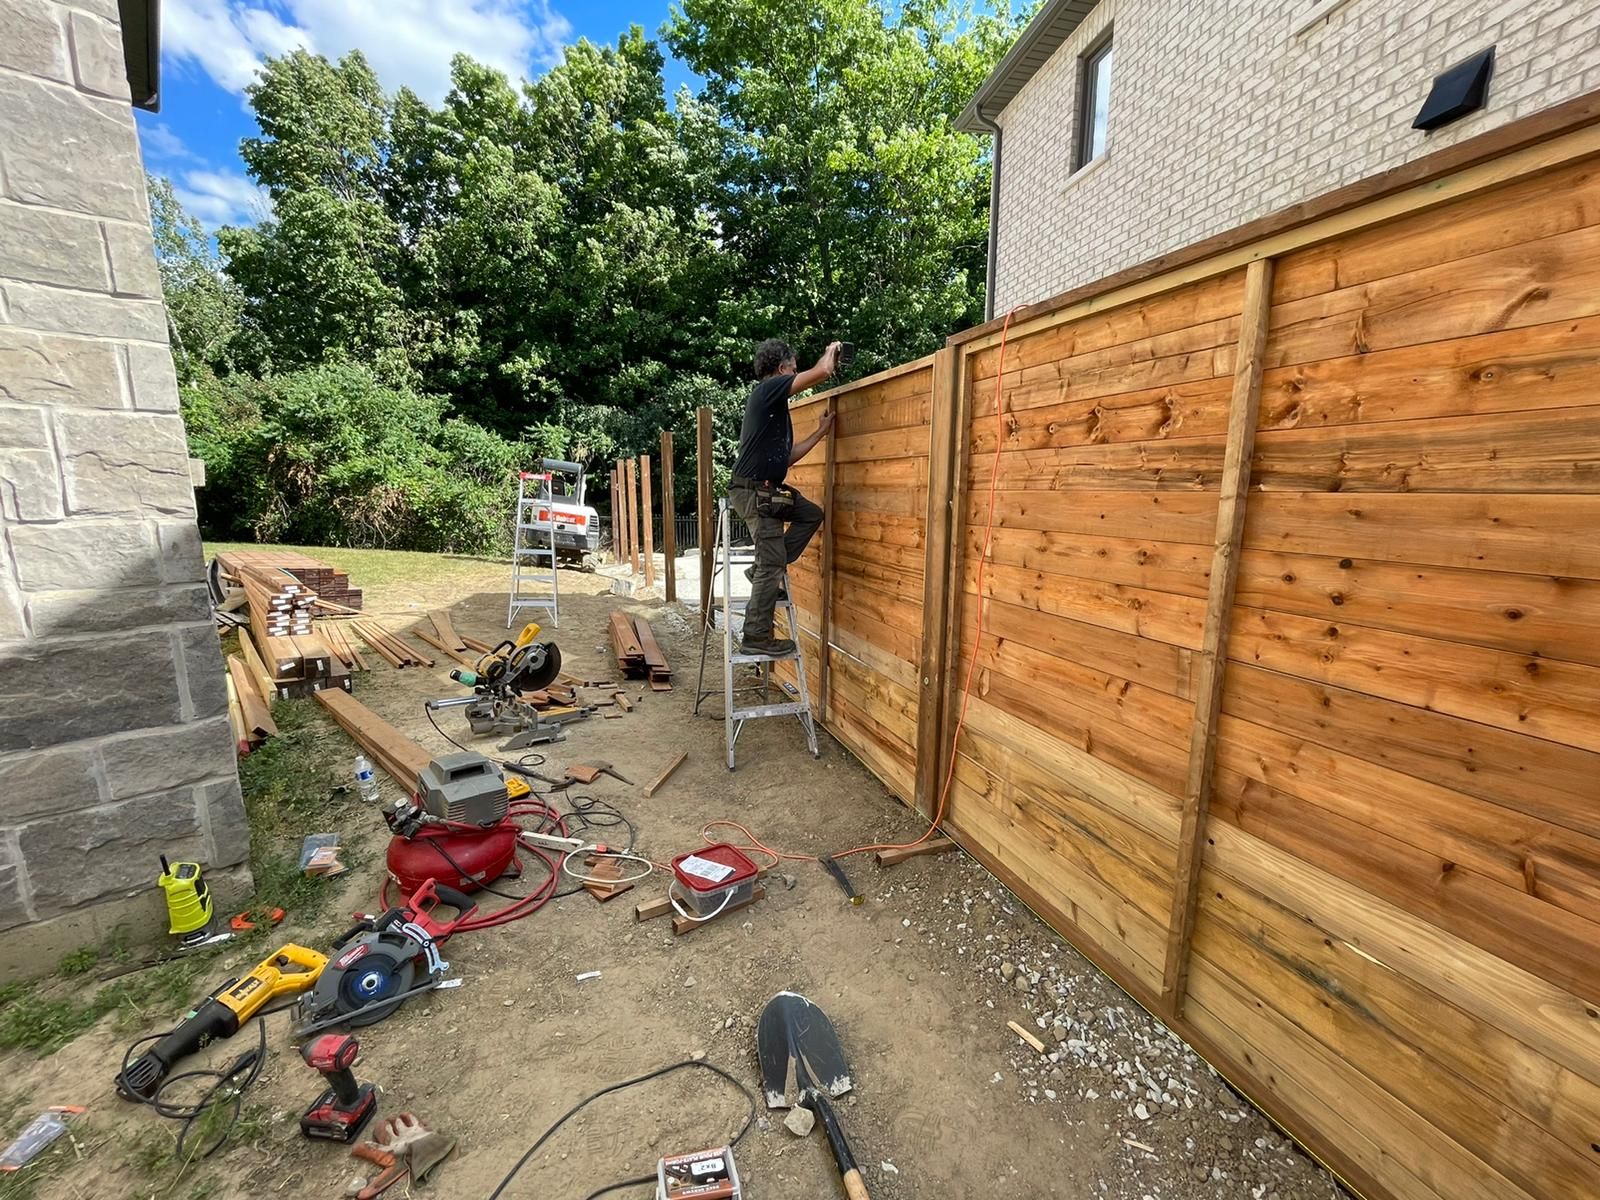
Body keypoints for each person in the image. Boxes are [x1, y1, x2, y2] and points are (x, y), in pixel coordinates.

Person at [727, 337, 841, 656]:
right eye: (793, 367)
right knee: (773, 561)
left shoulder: (773, 409)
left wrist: (820, 432)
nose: (796, 371)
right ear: (781, 368)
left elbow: (786, 457)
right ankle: (755, 637)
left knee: (810, 514)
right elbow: (823, 370)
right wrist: (830, 350)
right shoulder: (768, 390)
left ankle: (764, 567)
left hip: (767, 489)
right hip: (753, 490)